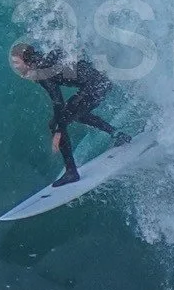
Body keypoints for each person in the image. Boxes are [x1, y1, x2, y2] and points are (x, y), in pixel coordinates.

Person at [10, 42, 130, 185]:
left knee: (56, 123)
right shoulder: (46, 57)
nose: (15, 66)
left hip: (95, 87)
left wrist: (58, 131)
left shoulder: (41, 71)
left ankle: (71, 172)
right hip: (102, 83)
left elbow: (58, 102)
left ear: (26, 60)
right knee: (78, 114)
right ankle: (118, 134)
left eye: (16, 62)